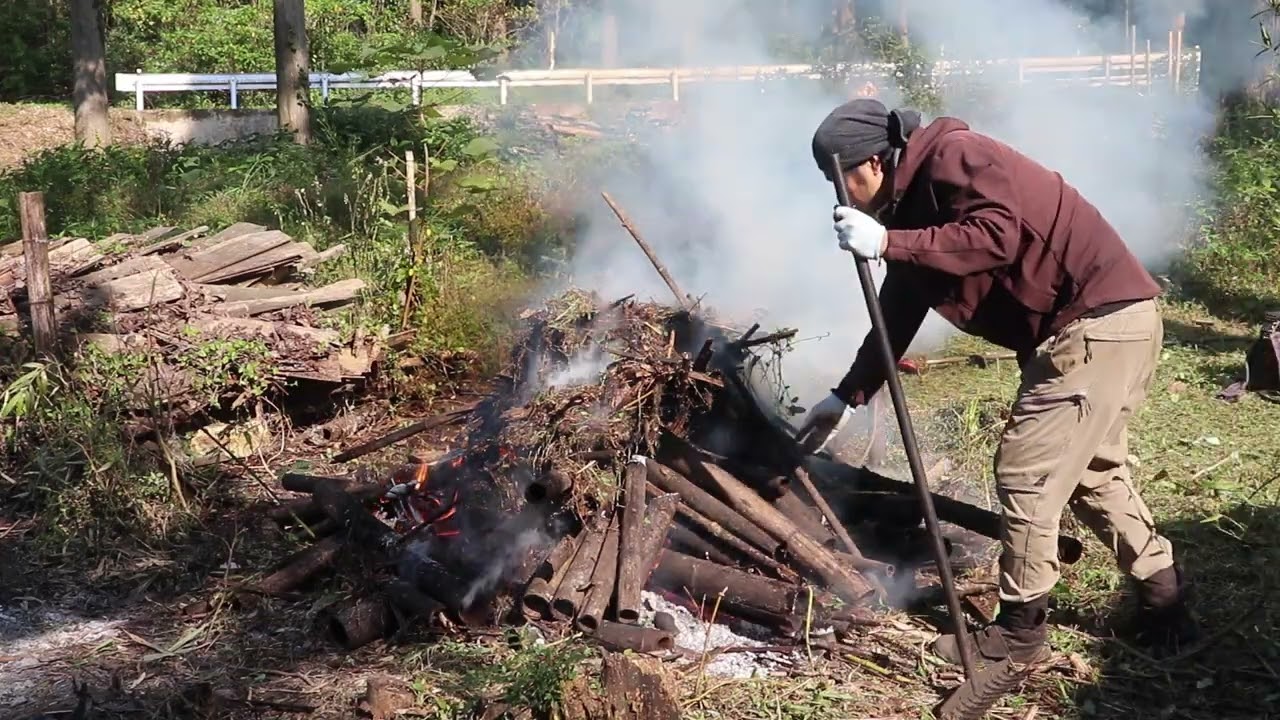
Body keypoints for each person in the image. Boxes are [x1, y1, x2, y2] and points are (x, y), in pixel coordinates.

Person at [797, 98, 1197, 667]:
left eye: (840, 179)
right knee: (1093, 474)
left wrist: (888, 244)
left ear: (875, 163)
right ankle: (1167, 601)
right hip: (1111, 325)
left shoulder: (954, 157)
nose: (838, 194)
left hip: (1095, 326)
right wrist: (845, 396)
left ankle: (1018, 637)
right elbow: (899, 311)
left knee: (1026, 472)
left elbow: (997, 236)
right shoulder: (908, 202)